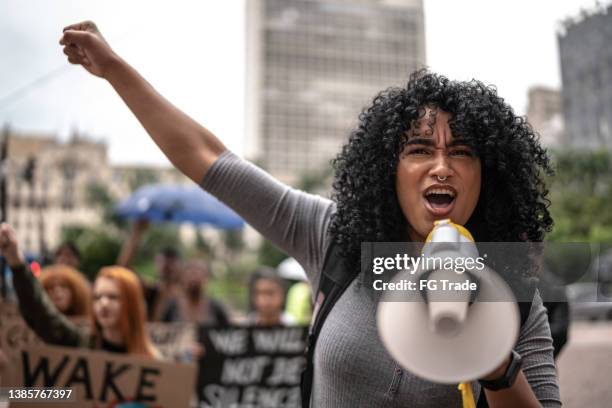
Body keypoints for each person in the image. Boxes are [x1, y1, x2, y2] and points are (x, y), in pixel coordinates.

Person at [58, 21, 560, 407]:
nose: (442, 167)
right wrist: (114, 69)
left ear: (486, 174)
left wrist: (493, 361)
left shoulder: (514, 293)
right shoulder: (331, 237)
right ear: (388, 169)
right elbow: (207, 158)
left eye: (463, 152)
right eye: (420, 150)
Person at [0, 223, 158, 357]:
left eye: (112, 297)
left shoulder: (153, 362)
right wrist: (16, 261)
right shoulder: (82, 344)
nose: (103, 303)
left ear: (131, 303)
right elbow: (42, 316)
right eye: (97, 297)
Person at [171, 259, 230, 325]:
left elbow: (227, 332)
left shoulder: (216, 307)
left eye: (199, 273)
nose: (194, 278)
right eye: (191, 273)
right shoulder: (173, 306)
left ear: (206, 279)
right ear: (183, 278)